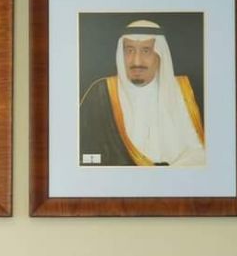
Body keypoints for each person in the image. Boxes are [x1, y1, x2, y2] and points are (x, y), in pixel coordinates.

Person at [79, 20, 205, 167]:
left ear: (160, 54)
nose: (136, 61)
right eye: (129, 51)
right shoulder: (100, 94)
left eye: (146, 51)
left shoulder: (186, 92)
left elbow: (201, 153)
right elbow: (83, 158)